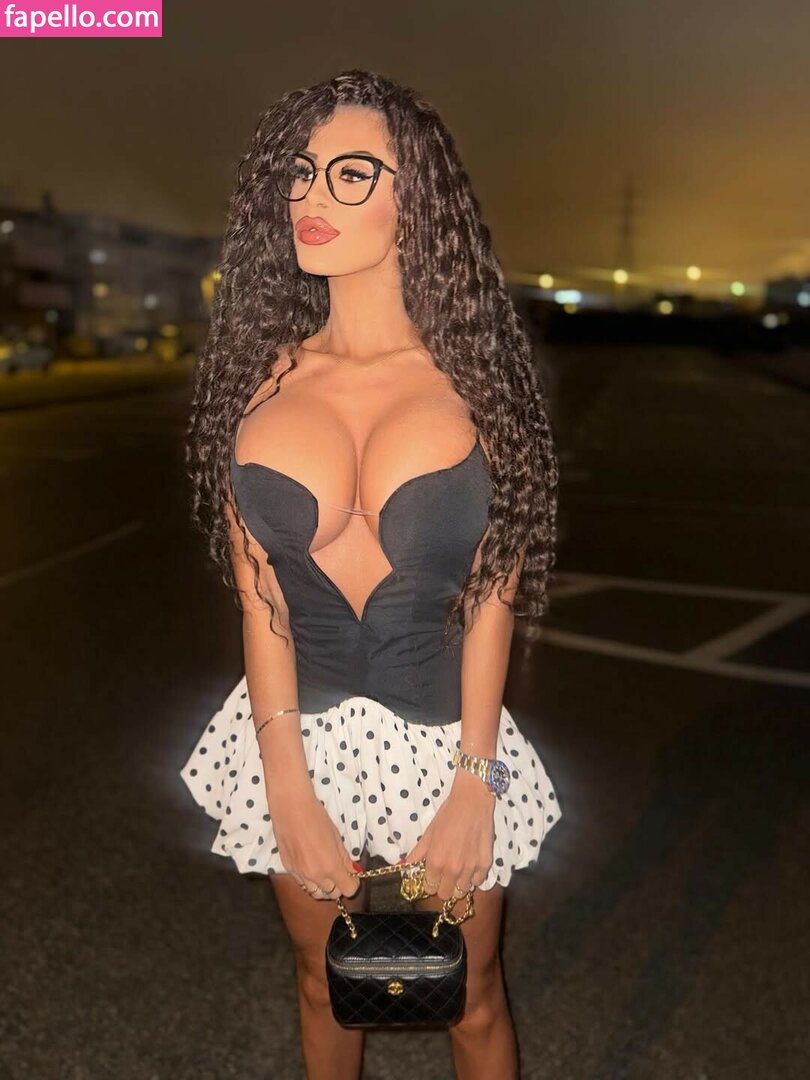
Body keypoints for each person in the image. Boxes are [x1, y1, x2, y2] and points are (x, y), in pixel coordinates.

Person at [180, 69, 561, 1080]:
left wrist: (477, 783)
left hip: (447, 742)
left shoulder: (474, 383)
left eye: (352, 174)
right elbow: (261, 602)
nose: (312, 197)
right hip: (293, 736)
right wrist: (286, 788)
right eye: (302, 173)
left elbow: (491, 601)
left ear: (416, 201)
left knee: (470, 999)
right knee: (325, 986)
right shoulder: (263, 377)